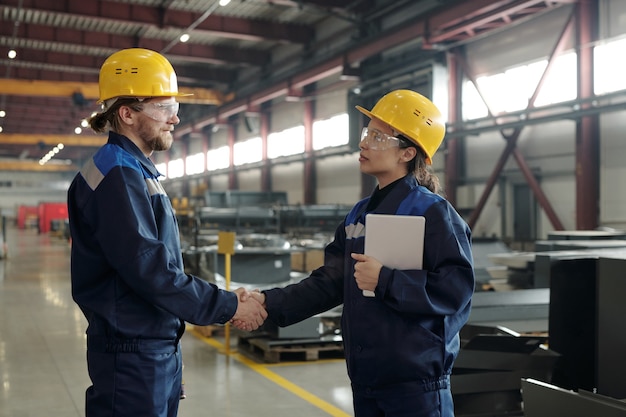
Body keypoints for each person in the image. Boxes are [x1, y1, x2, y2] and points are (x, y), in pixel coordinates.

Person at [243, 89, 475, 417]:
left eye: (378, 137)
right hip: (366, 378)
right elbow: (330, 282)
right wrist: (267, 303)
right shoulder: (358, 214)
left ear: (407, 153)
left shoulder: (433, 214)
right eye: (367, 133)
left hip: (415, 384)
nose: (364, 143)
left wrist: (386, 280)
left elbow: (455, 291)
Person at [67, 48, 267, 417]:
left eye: (175, 106)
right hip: (133, 355)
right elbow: (150, 270)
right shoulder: (118, 176)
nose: (175, 118)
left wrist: (223, 300)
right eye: (163, 107)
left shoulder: (134, 171)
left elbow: (160, 266)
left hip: (150, 347)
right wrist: (228, 305)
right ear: (126, 113)